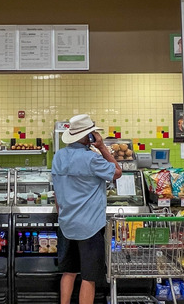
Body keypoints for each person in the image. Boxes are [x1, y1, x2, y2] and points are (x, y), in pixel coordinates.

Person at [51, 114, 122, 304]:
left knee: (69, 271)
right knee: (88, 277)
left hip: (66, 223)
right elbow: (117, 172)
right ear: (88, 135)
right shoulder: (92, 158)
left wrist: (62, 214)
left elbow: (56, 191)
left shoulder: (58, 156)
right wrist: (102, 147)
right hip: (89, 226)